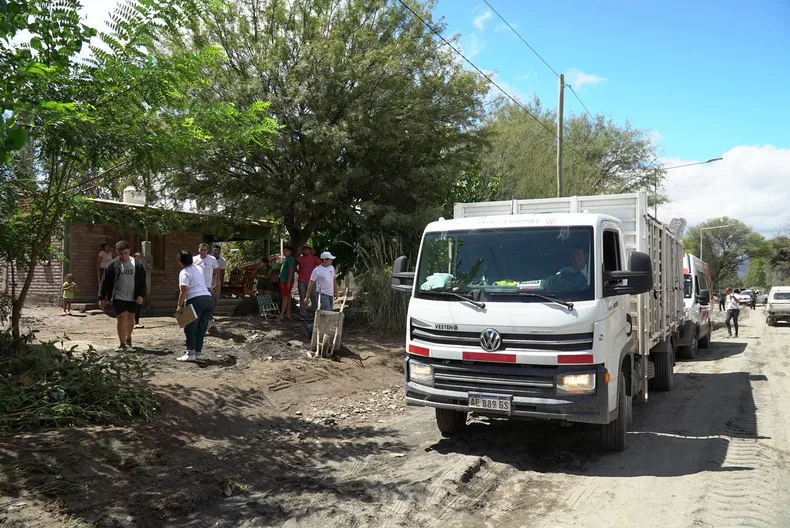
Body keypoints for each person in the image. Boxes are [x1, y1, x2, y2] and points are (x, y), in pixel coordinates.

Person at [99, 240, 147, 352]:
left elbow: (142, 281)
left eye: (125, 253)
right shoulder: (112, 265)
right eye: (121, 253)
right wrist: (101, 297)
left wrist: (141, 295)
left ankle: (128, 337)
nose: (123, 256)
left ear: (129, 251)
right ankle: (122, 344)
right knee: (121, 318)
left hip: (133, 296)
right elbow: (104, 282)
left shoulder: (138, 265)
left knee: (130, 318)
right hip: (118, 296)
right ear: (117, 252)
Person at [175, 250, 214, 362]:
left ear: (180, 262)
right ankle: (197, 352)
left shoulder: (184, 272)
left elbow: (184, 289)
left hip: (196, 300)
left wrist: (179, 305)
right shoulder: (199, 268)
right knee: (201, 328)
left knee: (191, 327)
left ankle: (190, 353)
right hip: (208, 299)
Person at [193, 243, 220, 329]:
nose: (203, 252)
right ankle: (199, 325)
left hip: (207, 287)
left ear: (207, 251)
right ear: (199, 249)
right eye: (201, 250)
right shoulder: (194, 259)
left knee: (206, 306)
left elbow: (218, 271)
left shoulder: (212, 259)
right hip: (196, 287)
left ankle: (208, 324)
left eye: (205, 250)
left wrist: (216, 284)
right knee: (197, 306)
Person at [296, 244, 321, 317]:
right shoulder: (299, 259)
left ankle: (316, 313)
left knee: (314, 297)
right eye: (304, 249)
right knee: (302, 297)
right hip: (302, 280)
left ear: (310, 250)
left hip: (312, 281)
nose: (305, 250)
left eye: (307, 249)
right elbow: (293, 266)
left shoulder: (314, 258)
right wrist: (298, 271)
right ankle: (303, 314)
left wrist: (317, 275)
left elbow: (320, 266)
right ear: (302, 251)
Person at [279, 245, 296, 321]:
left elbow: (291, 271)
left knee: (284, 297)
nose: (284, 252)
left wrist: (288, 282)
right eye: (284, 250)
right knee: (287, 296)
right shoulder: (286, 259)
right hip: (283, 280)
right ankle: (288, 313)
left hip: (286, 280)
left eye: (286, 251)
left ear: (290, 252)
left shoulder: (291, 259)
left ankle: (282, 315)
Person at [132, 252, 145, 329]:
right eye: (137, 257)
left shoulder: (141, 266)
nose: (139, 258)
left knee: (138, 306)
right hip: (131, 288)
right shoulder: (131, 266)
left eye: (140, 257)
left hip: (138, 289)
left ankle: (136, 322)